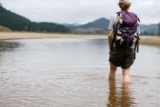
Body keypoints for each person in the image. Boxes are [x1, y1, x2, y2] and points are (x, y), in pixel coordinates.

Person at [108, 0, 140, 83]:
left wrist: (111, 49)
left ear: (119, 5)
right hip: (130, 47)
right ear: (129, 5)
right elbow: (137, 34)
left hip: (117, 46)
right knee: (126, 73)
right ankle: (125, 95)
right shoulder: (135, 17)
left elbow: (110, 34)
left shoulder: (115, 16)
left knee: (112, 70)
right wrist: (133, 49)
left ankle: (112, 94)